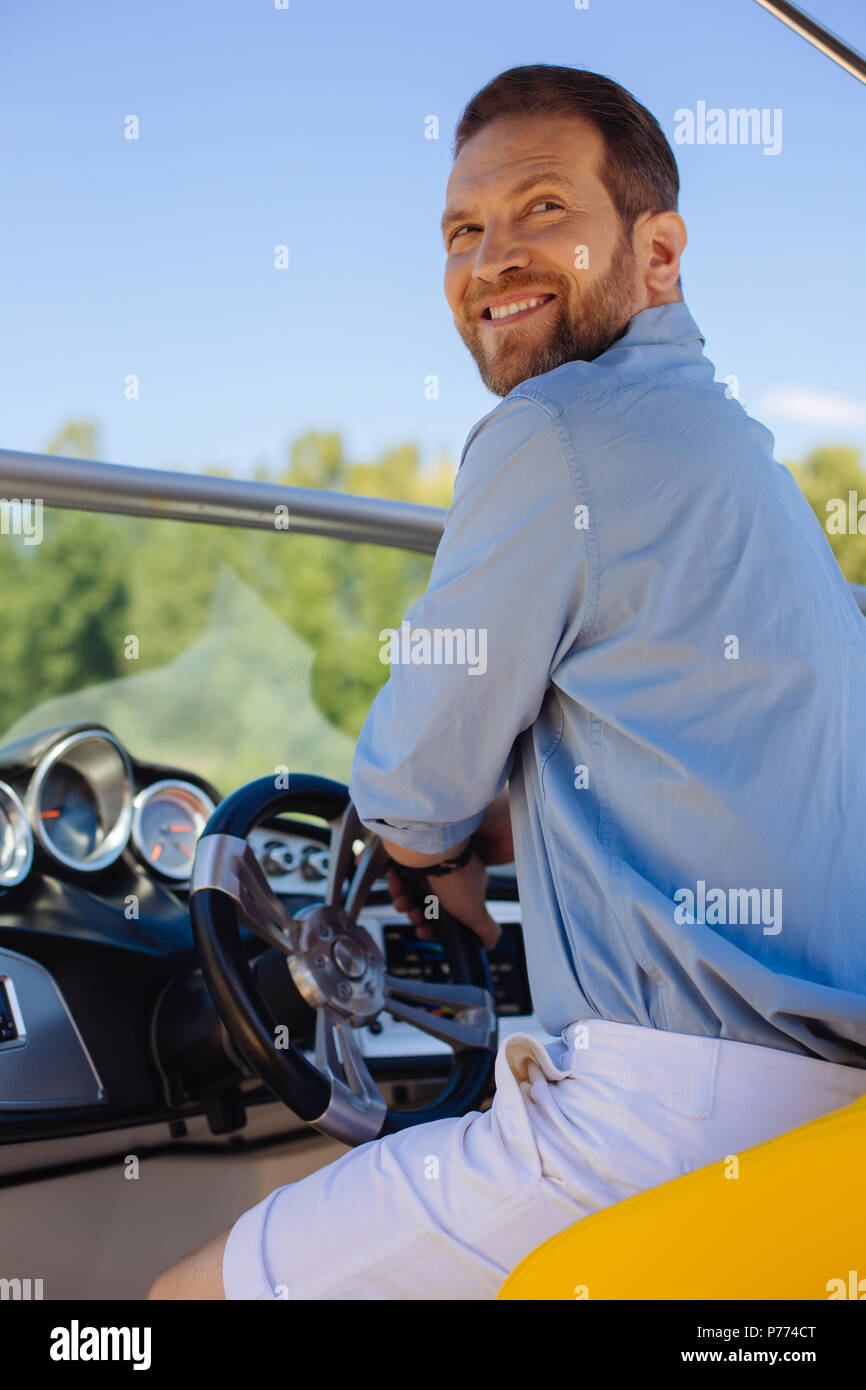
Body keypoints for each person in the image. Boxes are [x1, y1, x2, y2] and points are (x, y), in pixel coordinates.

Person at [150, 64, 866, 1301]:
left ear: (657, 250)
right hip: (814, 1117)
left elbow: (408, 787)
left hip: (661, 1119)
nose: (492, 259)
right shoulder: (740, 460)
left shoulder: (555, 433)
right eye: (461, 230)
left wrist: (445, 877)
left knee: (173, 1304)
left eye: (542, 209)